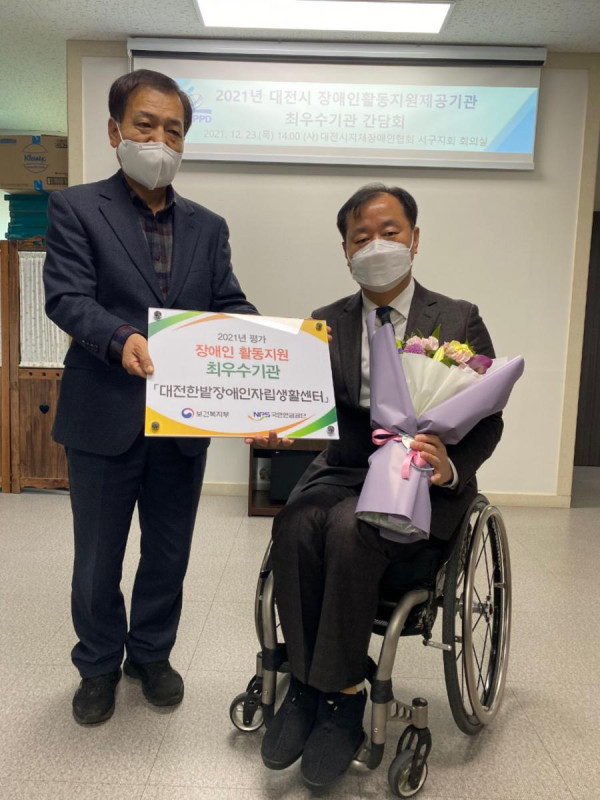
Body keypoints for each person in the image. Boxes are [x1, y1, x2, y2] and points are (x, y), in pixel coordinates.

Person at [260, 184, 503, 789]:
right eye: (360, 236)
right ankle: (304, 687)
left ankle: (339, 695)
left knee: (350, 530)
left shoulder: (458, 318)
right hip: (344, 467)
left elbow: (489, 417)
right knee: (294, 523)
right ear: (345, 250)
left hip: (419, 478)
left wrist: (450, 464)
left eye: (389, 232)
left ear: (414, 239)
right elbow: (307, 405)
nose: (376, 245)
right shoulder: (325, 321)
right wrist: (275, 421)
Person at [43, 69, 258, 725]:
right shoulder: (77, 208)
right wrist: (120, 337)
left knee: (168, 553)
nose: (160, 140)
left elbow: (227, 305)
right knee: (97, 558)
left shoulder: (208, 227)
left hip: (182, 421)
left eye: (174, 130)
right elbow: (67, 297)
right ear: (116, 131)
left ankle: (151, 655)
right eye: (146, 125)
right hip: (103, 413)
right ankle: (98, 664)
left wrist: (272, 354)